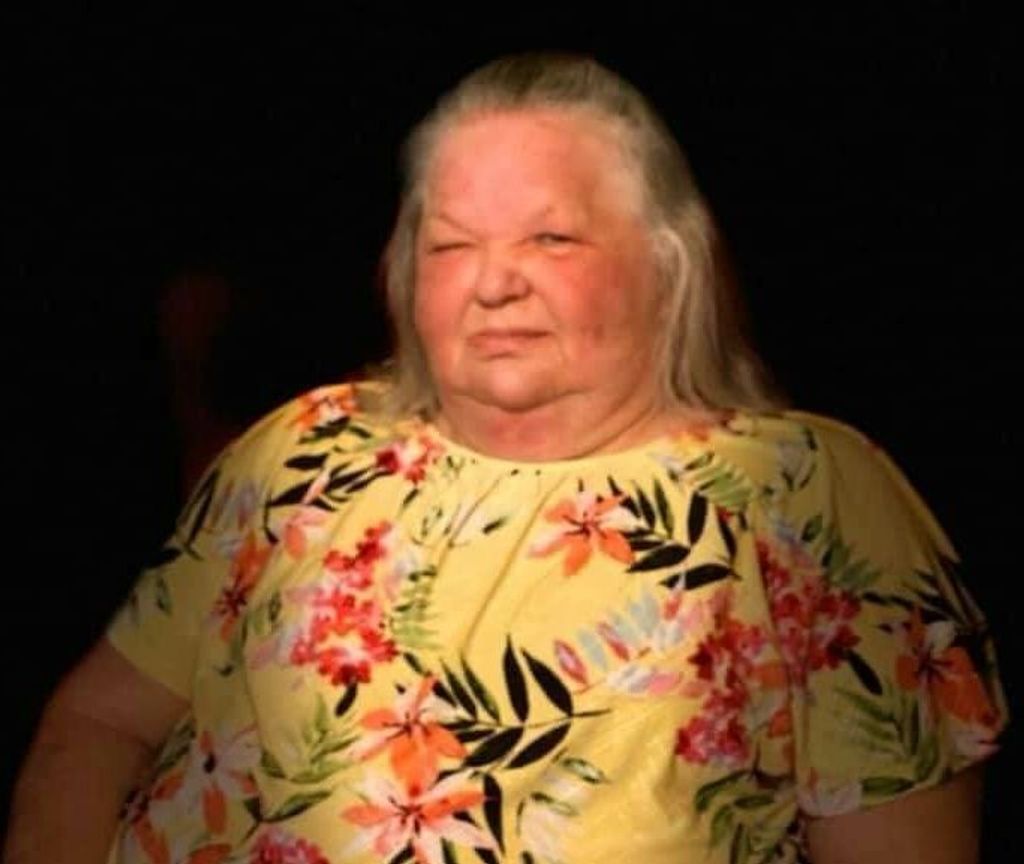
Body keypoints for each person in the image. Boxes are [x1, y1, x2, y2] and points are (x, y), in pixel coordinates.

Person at [4, 53, 1007, 864]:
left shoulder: (800, 491)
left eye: (552, 238)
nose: (494, 284)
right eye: (450, 245)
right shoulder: (303, 445)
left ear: (669, 266)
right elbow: (97, 724)